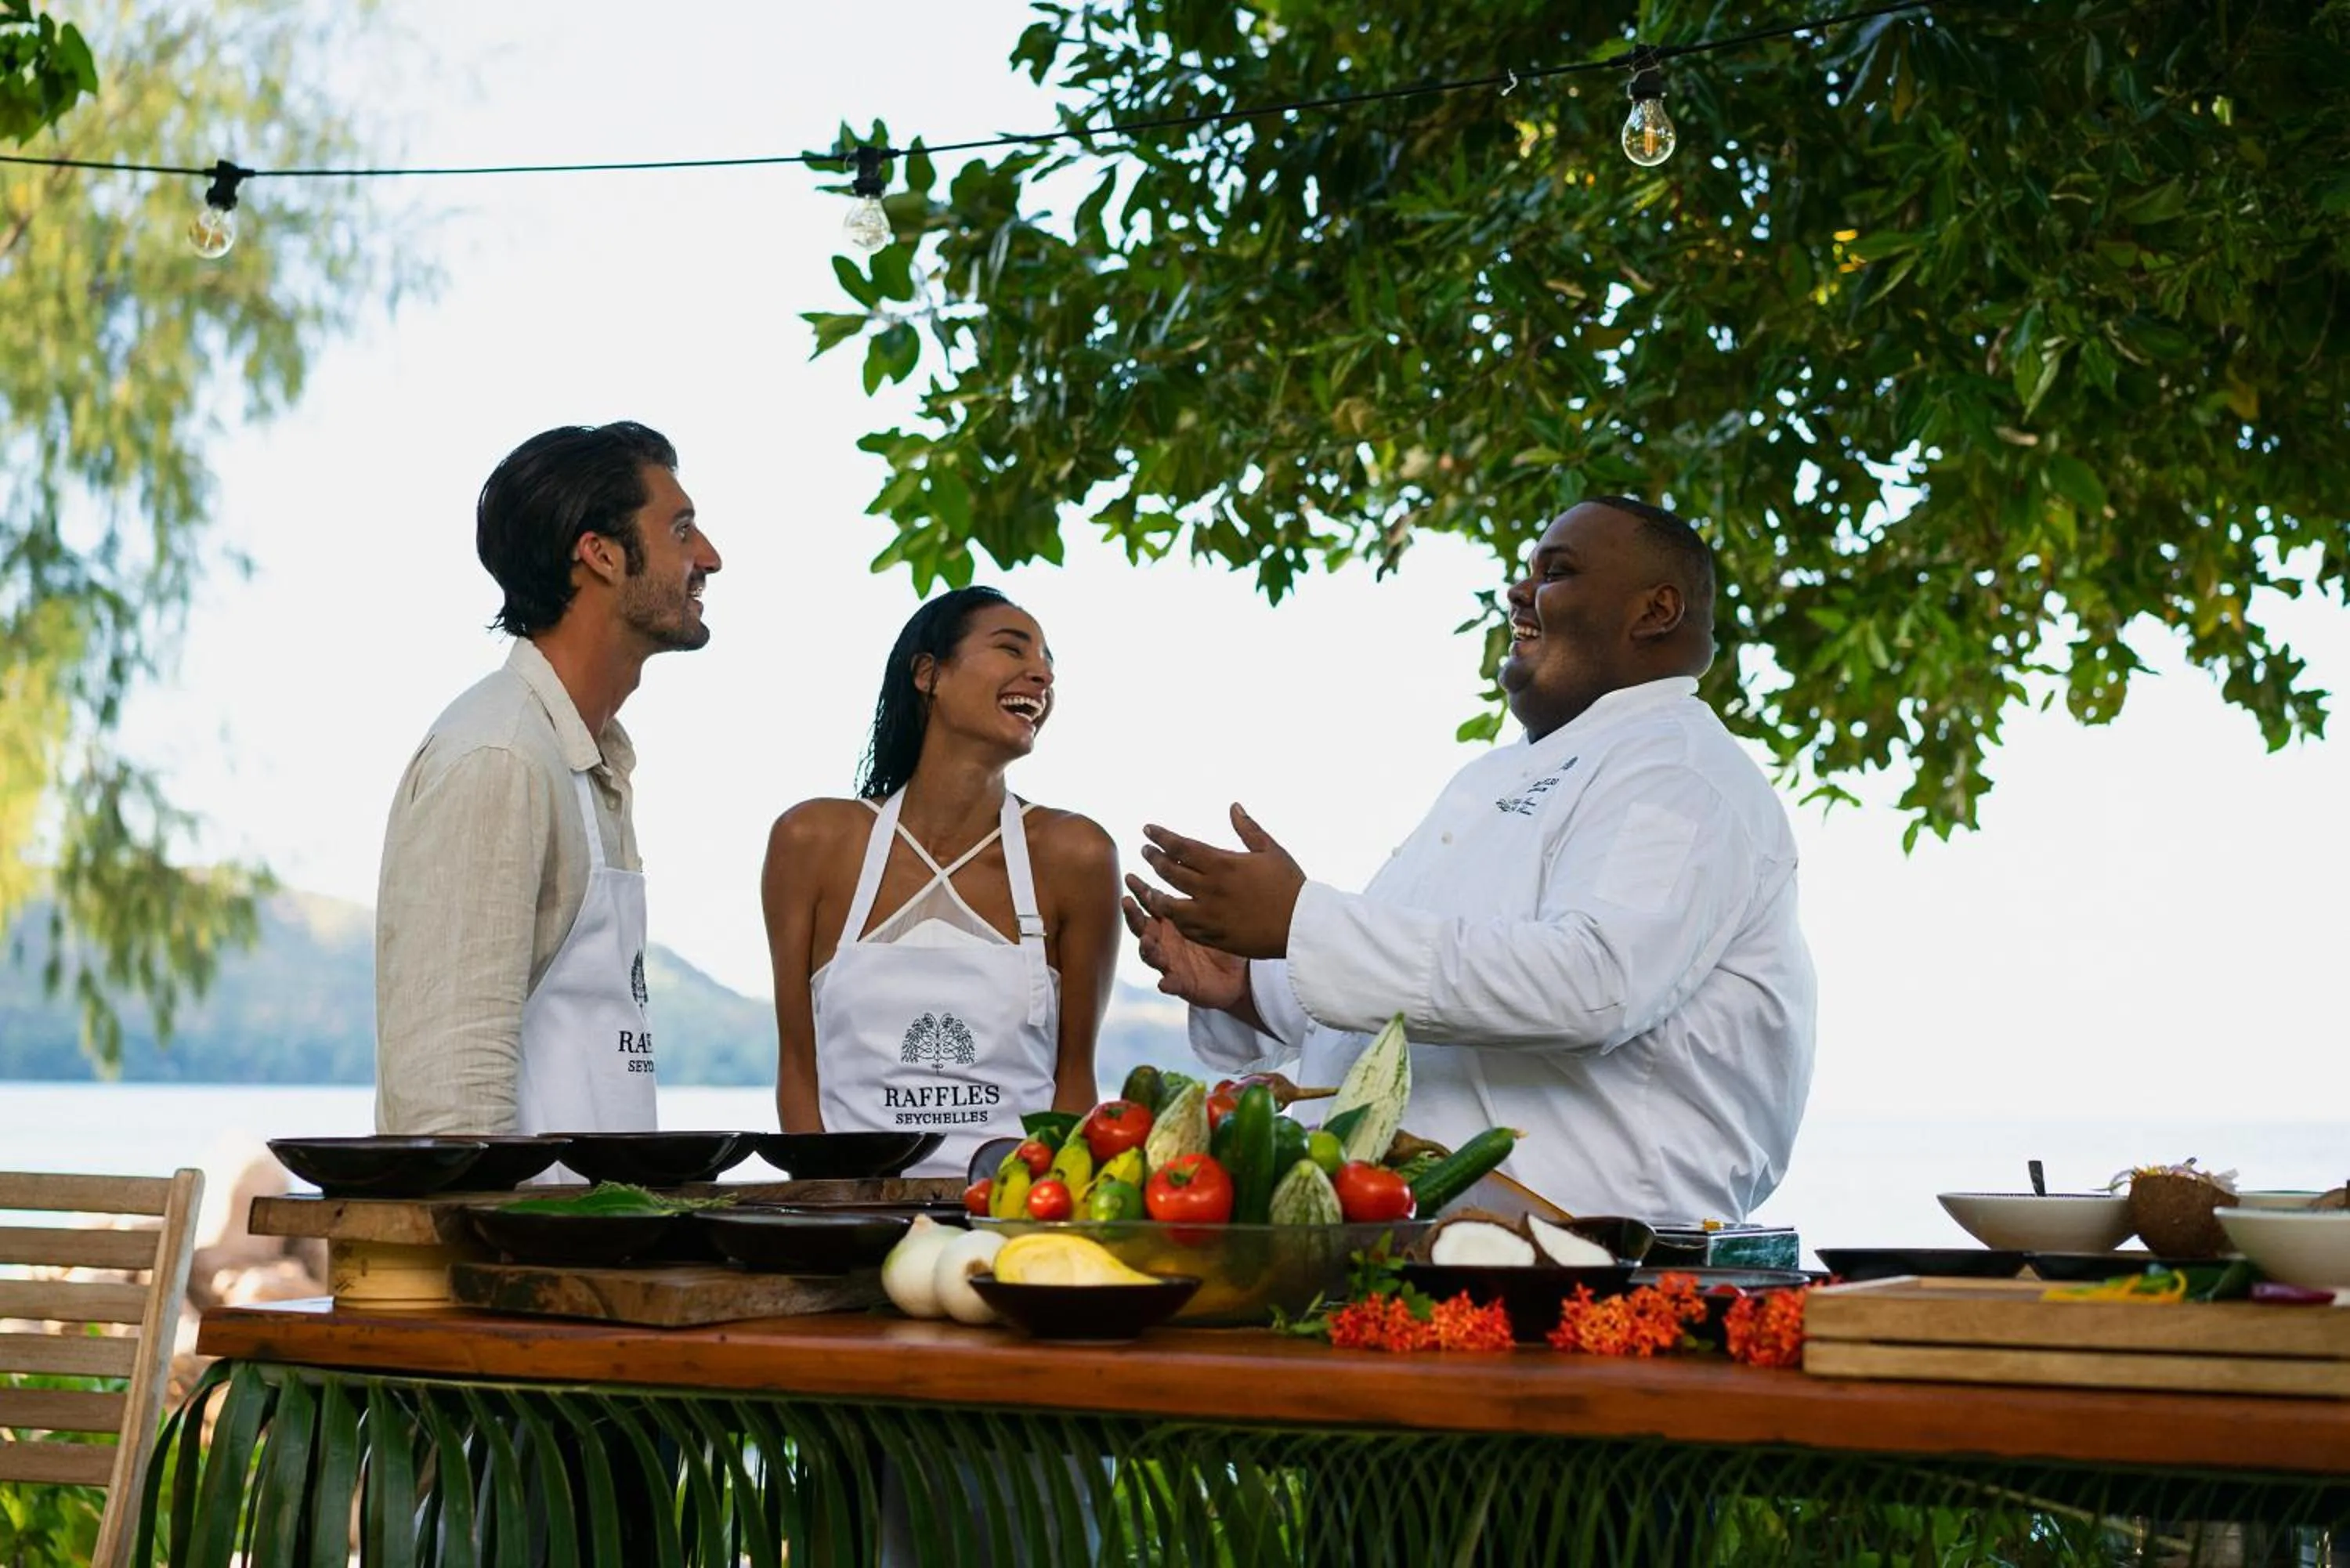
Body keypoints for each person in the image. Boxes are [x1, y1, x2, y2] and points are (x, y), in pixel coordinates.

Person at [1124, 497, 1816, 1223]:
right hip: (1411, 1232)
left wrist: (1302, 926)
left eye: (1557, 572)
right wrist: (1250, 983)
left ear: (1655, 611)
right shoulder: (1492, 776)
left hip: (1587, 1252)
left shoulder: (1678, 771)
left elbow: (1591, 985)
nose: (1519, 591)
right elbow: (1416, 989)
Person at [374, 421, 721, 1136]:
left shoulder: (589, 759)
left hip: (591, 1210)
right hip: (521, 1215)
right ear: (600, 554)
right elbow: (449, 1104)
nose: (710, 557)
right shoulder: (499, 756)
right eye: (682, 530)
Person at [762, 586, 1120, 1180]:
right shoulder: (812, 841)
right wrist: (834, 1205)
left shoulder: (1076, 855)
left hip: (1010, 1213)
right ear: (928, 674)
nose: (1041, 675)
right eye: (1012, 650)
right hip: (852, 1213)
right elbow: (798, 1068)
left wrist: (1030, 1212)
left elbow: (1075, 1079)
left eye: (1048, 663)